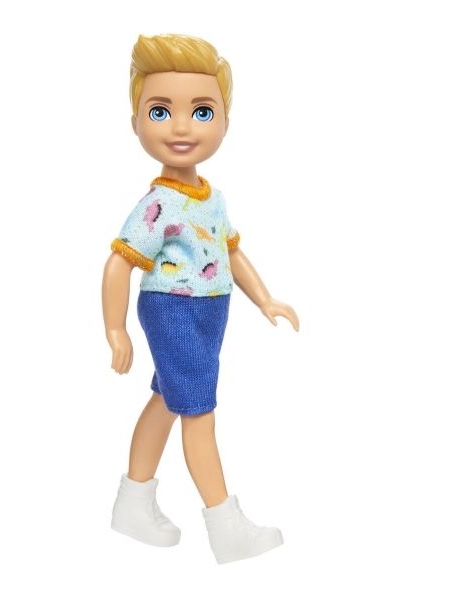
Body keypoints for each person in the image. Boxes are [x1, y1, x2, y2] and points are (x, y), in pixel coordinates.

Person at [102, 33, 300, 564]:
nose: (182, 127)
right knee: (198, 411)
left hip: (211, 310)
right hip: (173, 309)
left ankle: (132, 503)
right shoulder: (159, 203)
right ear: (136, 122)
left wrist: (265, 299)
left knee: (169, 399)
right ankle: (225, 524)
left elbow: (231, 251)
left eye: (202, 111)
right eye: (161, 111)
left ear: (225, 122)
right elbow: (119, 261)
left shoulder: (213, 197)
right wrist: (116, 329)